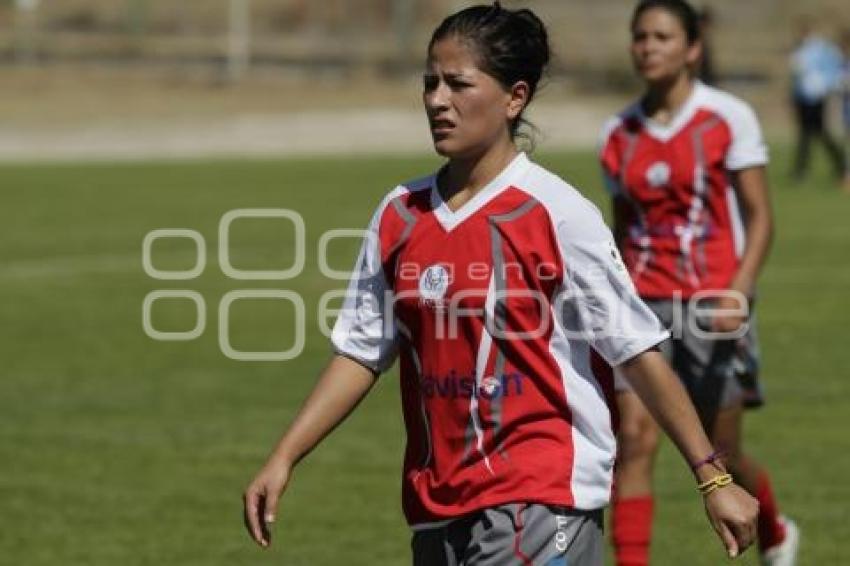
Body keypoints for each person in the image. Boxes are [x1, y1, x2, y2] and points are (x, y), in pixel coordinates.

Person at [243, 4, 758, 565]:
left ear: (515, 97)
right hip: (436, 501)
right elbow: (363, 351)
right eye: (430, 82)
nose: (437, 100)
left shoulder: (556, 214)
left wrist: (713, 477)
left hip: (539, 499)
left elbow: (636, 351)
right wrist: (285, 456)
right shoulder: (399, 214)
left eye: (459, 84)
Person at [599, 1, 799, 565]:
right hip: (641, 309)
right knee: (634, 442)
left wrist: (739, 291)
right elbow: (622, 228)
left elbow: (760, 216)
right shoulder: (618, 132)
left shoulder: (728, 117)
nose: (648, 47)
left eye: (662, 37)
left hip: (714, 302)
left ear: (691, 48)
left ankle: (778, 533)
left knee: (722, 452)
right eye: (640, 36)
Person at [789, 16, 845, 183]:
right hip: (803, 98)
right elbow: (798, 77)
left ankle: (840, 163)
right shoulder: (800, 49)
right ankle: (801, 169)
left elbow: (833, 68)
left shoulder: (820, 49)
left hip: (816, 97)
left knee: (817, 132)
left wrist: (825, 86)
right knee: (806, 134)